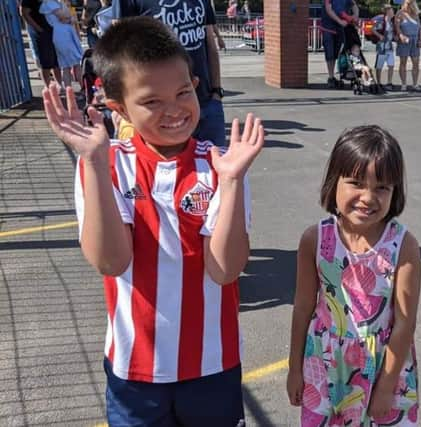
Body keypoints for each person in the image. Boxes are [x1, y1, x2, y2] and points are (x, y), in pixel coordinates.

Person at [41, 16, 264, 426]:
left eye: (182, 92)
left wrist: (232, 182)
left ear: (196, 86)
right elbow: (110, 262)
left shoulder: (221, 166)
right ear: (118, 108)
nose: (174, 110)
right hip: (135, 370)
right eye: (152, 101)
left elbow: (226, 269)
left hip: (213, 363)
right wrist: (92, 160)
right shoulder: (107, 164)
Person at [287, 125, 421, 426]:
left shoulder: (403, 245)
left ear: (395, 191)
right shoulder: (316, 239)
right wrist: (294, 368)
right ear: (335, 182)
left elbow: (404, 322)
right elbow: (303, 307)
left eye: (382, 187)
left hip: (384, 367)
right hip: (323, 365)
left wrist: (386, 387)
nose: (368, 197)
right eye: (356, 183)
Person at [113, 0, 227, 146]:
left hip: (207, 103)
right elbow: (119, 48)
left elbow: (210, 45)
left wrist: (216, 92)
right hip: (163, 111)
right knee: (169, 167)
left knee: (216, 164)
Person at [39, 0, 83, 91]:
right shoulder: (50, 3)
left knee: (67, 66)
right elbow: (64, 16)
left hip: (64, 34)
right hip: (63, 36)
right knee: (74, 64)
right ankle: (84, 89)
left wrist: (69, 18)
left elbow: (67, 16)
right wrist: (70, 18)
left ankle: (70, 91)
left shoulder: (55, 3)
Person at [19, 0, 61, 87]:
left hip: (53, 30)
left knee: (56, 60)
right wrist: (38, 29)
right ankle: (48, 86)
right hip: (41, 33)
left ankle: (60, 85)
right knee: (45, 61)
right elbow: (24, 13)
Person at [321, 0, 359, 88]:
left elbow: (355, 6)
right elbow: (329, 9)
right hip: (329, 28)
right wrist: (339, 21)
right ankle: (331, 77)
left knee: (338, 53)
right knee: (330, 54)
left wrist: (355, 16)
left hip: (340, 29)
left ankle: (340, 74)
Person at [394, 0, 421, 92]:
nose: (408, 5)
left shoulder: (416, 14)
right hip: (404, 40)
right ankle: (404, 84)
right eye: (407, 3)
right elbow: (397, 27)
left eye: (410, 3)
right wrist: (401, 35)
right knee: (403, 63)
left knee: (416, 63)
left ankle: (415, 84)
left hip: (415, 41)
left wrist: (420, 40)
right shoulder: (400, 13)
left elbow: (419, 29)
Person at [372, 4, 395, 91]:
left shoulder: (391, 21)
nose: (393, 12)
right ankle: (378, 83)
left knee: (391, 65)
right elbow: (373, 29)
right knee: (379, 66)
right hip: (381, 47)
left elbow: (391, 33)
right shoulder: (382, 21)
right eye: (392, 10)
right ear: (388, 11)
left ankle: (389, 83)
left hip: (389, 47)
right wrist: (379, 36)